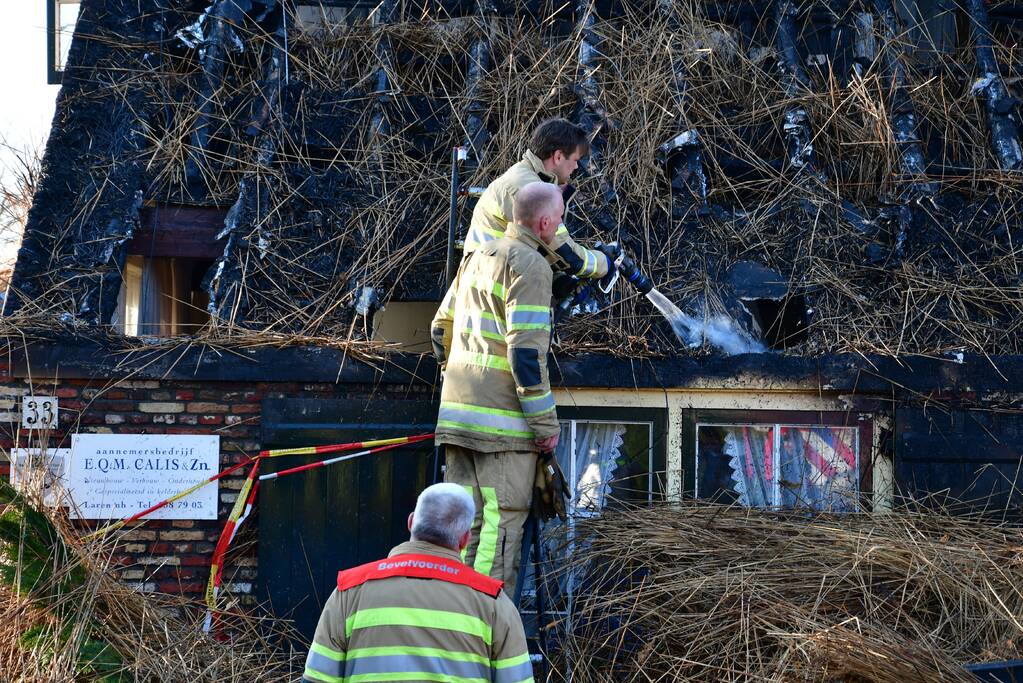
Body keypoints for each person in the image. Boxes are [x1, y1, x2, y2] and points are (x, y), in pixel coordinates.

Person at [431, 182, 565, 596]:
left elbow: (440, 329)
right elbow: (525, 356)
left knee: (460, 525)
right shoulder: (531, 267)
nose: (561, 226)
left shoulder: (474, 257)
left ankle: (452, 614)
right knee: (499, 525)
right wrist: (545, 426)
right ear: (544, 222)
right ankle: (483, 616)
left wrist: (458, 381)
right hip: (502, 432)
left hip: (457, 421)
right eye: (560, 218)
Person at [302, 483, 534, 683]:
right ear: (465, 539)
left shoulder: (350, 591)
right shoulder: (493, 603)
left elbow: (317, 678)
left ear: (411, 522)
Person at [464, 118, 614, 283]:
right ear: (558, 156)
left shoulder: (526, 178)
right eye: (575, 160)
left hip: (489, 277)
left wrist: (558, 280)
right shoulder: (526, 188)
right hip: (490, 284)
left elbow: (533, 245)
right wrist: (604, 263)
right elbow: (566, 253)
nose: (576, 167)